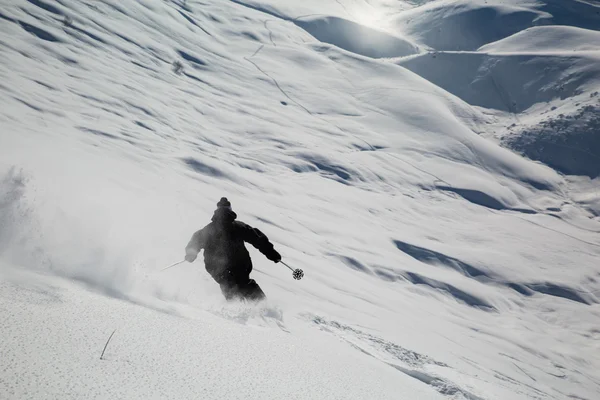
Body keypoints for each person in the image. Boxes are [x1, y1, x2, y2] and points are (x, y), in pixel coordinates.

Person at [185, 197, 281, 301]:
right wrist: (271, 253)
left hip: (216, 266)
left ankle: (235, 307)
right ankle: (261, 305)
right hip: (238, 263)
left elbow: (195, 241)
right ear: (230, 210)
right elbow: (257, 239)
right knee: (243, 283)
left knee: (228, 285)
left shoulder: (208, 230)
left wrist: (191, 253)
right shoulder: (238, 226)